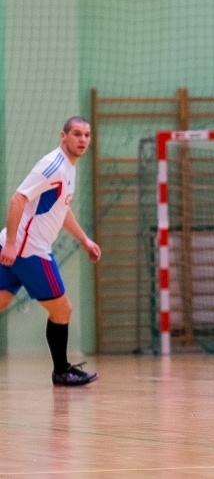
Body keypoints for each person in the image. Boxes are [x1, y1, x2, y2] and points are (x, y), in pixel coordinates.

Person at [0, 116, 101, 386]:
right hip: (29, 250)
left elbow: (61, 209)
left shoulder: (68, 169)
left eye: (86, 135)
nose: (82, 140)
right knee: (62, 310)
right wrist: (11, 244)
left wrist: (84, 240)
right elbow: (18, 199)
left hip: (17, 247)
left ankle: (62, 370)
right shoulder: (53, 165)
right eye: (77, 134)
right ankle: (61, 371)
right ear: (63, 136)